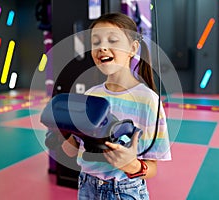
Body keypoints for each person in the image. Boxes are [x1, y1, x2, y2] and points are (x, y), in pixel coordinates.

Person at [61, 12, 171, 200]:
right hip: (87, 186)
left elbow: (152, 167)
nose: (102, 47)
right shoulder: (90, 95)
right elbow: (69, 151)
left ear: (133, 48)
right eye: (96, 42)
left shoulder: (149, 100)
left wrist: (134, 165)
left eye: (112, 40)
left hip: (124, 190)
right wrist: (67, 127)